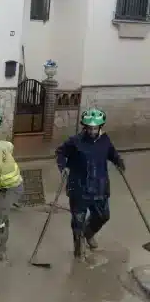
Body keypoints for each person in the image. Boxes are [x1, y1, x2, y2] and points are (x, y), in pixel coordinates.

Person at [55, 108, 125, 260]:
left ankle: (89, 233)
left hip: (100, 187)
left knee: (103, 216)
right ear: (85, 127)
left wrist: (119, 161)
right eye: (89, 128)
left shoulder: (105, 140)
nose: (92, 131)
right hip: (79, 188)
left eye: (95, 128)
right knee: (78, 222)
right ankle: (79, 252)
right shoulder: (75, 142)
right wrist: (63, 166)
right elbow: (60, 152)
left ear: (100, 127)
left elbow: (112, 153)